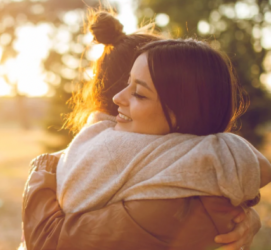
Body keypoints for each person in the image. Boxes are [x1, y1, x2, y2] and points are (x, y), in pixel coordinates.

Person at [21, 11, 266, 250]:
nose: (119, 98)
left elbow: (47, 242)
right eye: (128, 84)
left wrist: (45, 168)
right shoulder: (187, 170)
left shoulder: (179, 202)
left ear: (183, 109)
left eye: (139, 92)